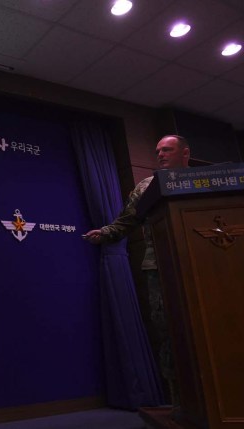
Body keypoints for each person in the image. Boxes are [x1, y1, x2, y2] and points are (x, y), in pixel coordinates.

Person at [83, 134, 191, 405]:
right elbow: (126, 222)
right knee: (168, 332)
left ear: (185, 153)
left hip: (203, 267)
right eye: (158, 151)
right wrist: (106, 233)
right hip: (160, 267)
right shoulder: (147, 186)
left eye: (168, 150)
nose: (161, 155)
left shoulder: (207, 182)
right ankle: (180, 402)